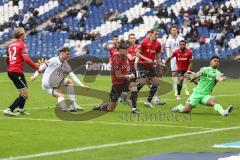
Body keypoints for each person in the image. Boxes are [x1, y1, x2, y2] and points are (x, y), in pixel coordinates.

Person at [30, 47, 89, 112]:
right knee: (66, 83)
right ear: (62, 53)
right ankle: (73, 105)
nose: (68, 55)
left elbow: (72, 75)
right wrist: (35, 75)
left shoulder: (66, 64)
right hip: (47, 82)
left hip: (49, 85)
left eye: (69, 54)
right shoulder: (54, 60)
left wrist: (82, 85)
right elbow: (42, 67)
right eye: (67, 54)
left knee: (62, 92)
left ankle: (67, 107)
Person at [93, 41, 139, 114]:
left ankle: (134, 109)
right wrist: (129, 76)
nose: (127, 51)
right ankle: (102, 106)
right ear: (120, 50)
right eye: (125, 50)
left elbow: (126, 68)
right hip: (117, 84)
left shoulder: (125, 56)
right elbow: (118, 76)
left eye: (127, 49)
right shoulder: (116, 59)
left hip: (125, 81)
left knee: (134, 86)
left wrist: (130, 75)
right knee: (111, 108)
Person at [3, 27, 39, 116]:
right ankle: (9, 109)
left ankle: (20, 109)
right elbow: (26, 58)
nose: (25, 35)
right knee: (25, 94)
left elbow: (6, 58)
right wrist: (36, 67)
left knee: (24, 90)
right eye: (24, 33)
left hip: (12, 70)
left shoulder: (10, 45)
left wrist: (10, 66)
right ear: (21, 35)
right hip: (16, 71)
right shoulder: (22, 44)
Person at [135, 29, 163, 108]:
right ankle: (130, 95)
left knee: (156, 82)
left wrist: (159, 67)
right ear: (150, 34)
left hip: (150, 66)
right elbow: (137, 53)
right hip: (142, 64)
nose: (156, 36)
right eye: (155, 34)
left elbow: (158, 57)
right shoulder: (144, 42)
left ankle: (148, 101)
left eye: (158, 35)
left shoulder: (158, 44)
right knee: (142, 82)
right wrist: (146, 59)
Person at [165, 26, 189, 96]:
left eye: (175, 30)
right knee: (174, 73)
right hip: (173, 59)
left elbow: (185, 48)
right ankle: (175, 89)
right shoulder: (168, 40)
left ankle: (185, 88)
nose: (174, 31)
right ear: (170, 31)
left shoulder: (181, 38)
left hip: (181, 58)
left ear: (177, 31)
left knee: (183, 74)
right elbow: (167, 51)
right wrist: (169, 58)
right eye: (172, 30)